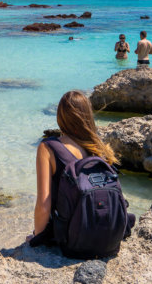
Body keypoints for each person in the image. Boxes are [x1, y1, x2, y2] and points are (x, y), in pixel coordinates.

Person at [29, 90, 129, 255]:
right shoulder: (100, 150)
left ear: (60, 117)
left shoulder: (48, 147)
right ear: (88, 116)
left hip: (72, 242)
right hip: (110, 240)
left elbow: (43, 204)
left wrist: (37, 238)